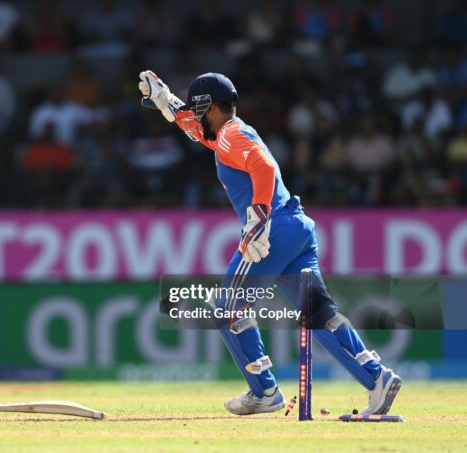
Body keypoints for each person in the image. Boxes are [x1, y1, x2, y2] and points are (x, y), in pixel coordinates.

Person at [138, 70, 402, 416]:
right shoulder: (229, 133)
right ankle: (377, 378)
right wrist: (167, 103)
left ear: (209, 106)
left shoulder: (231, 133)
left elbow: (262, 166)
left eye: (197, 108)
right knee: (319, 314)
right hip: (296, 228)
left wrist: (258, 217)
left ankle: (263, 391)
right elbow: (198, 131)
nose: (195, 116)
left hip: (273, 229)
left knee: (225, 306)